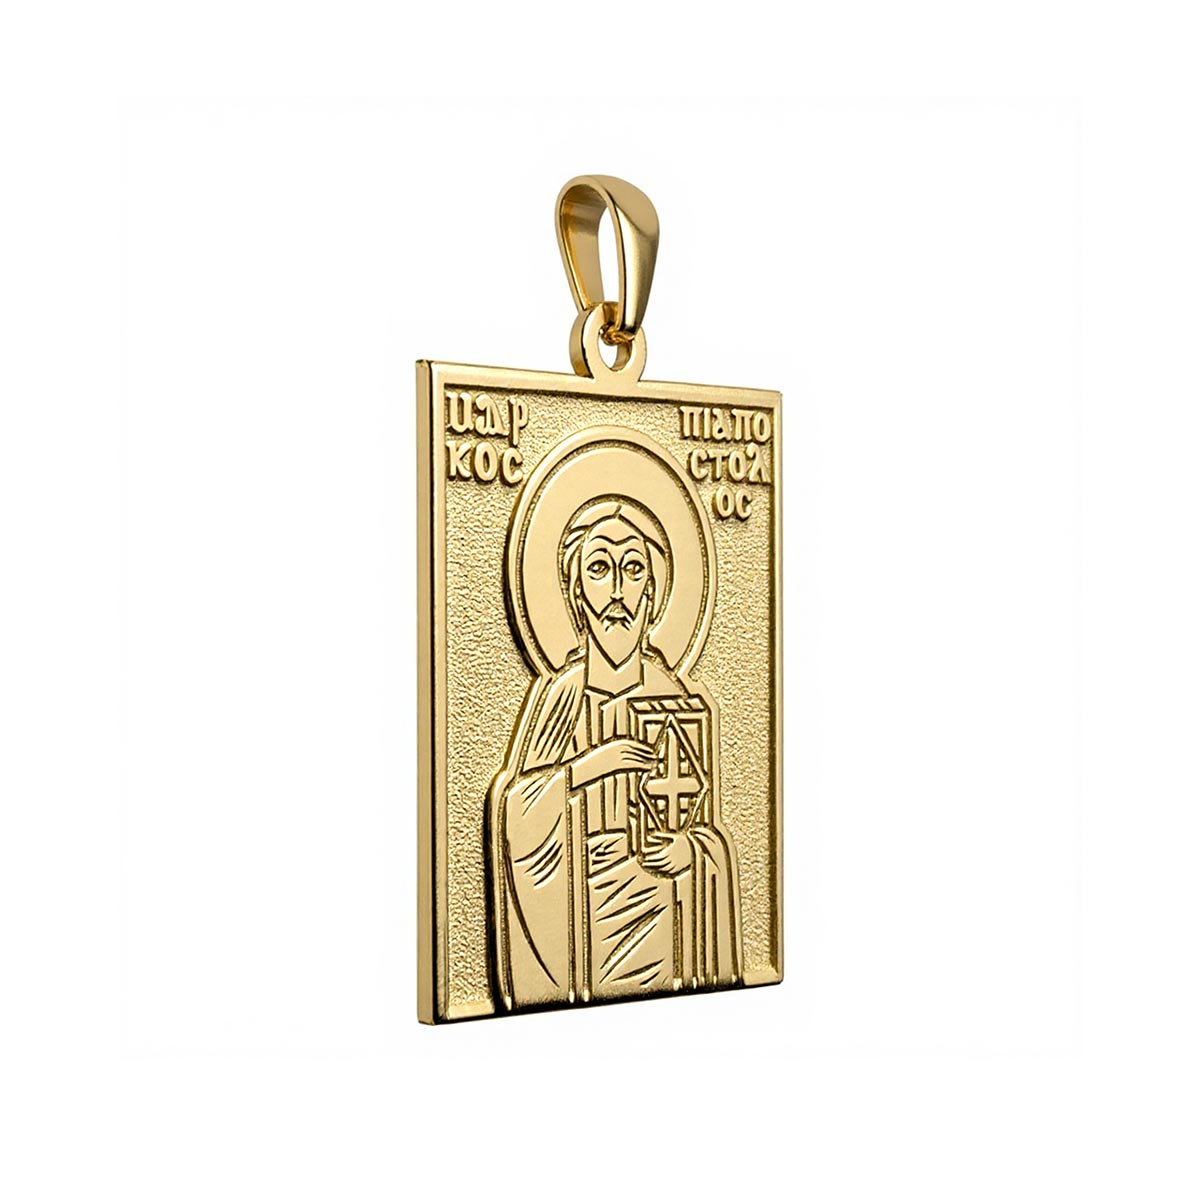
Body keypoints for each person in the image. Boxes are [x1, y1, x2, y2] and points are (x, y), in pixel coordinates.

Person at [489, 498, 741, 1010]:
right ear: (578, 594)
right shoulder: (561, 697)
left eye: (633, 569)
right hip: (578, 925)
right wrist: (592, 766)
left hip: (664, 927)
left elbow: (704, 823)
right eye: (600, 569)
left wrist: (689, 853)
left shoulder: (672, 696)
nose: (618, 592)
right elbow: (518, 815)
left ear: (652, 594)